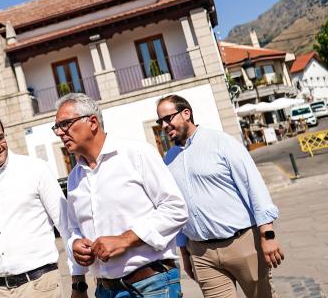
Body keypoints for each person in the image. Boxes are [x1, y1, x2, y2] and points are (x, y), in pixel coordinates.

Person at [56, 93, 188, 298]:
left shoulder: (137, 154)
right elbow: (75, 228)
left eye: (65, 124)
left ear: (92, 122)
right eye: (57, 127)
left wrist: (125, 240)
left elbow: (175, 209)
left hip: (151, 285)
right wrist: (76, 245)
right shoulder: (75, 178)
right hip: (104, 289)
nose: (59, 133)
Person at [157, 94, 284, 298]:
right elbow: (176, 206)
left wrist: (268, 235)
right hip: (201, 254)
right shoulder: (169, 159)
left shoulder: (222, 142)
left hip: (242, 243)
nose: (164, 125)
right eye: (160, 121)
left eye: (168, 118)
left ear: (186, 113)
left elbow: (254, 188)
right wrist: (184, 251)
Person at [0, 112, 71, 298]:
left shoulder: (35, 169)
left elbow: (66, 225)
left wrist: (78, 278)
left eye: (0, 138)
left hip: (41, 286)